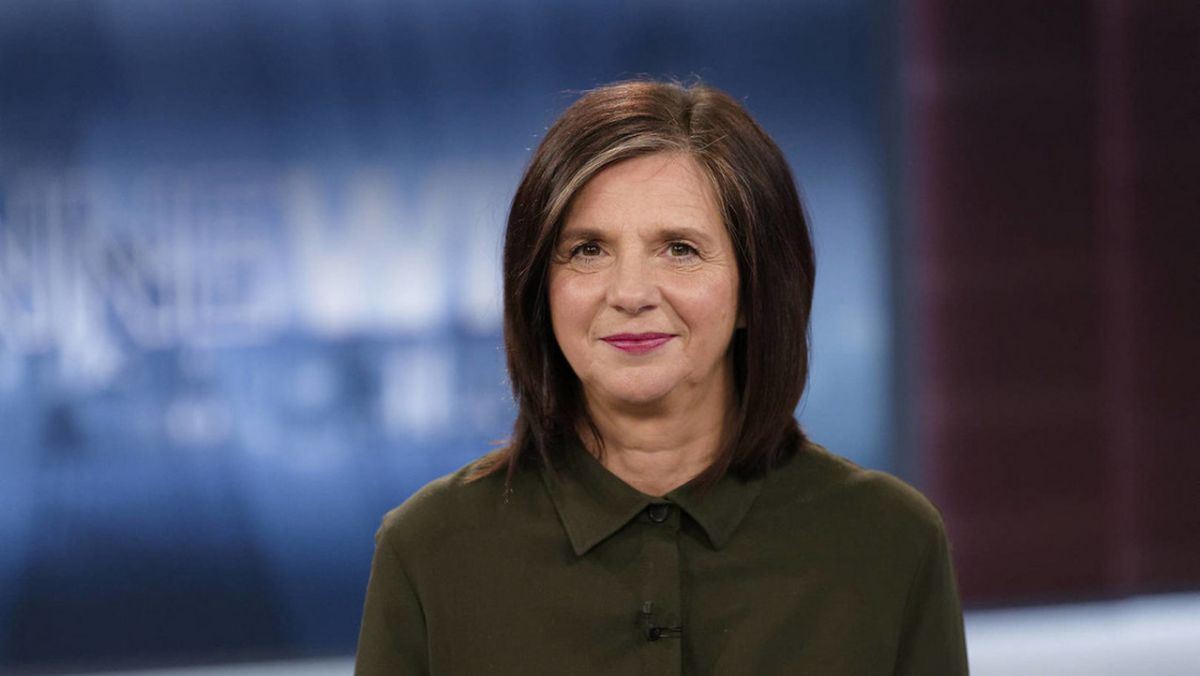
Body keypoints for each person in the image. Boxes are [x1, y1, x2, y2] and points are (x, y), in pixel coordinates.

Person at [355, 80, 968, 675]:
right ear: (541, 288)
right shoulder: (428, 551)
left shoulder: (890, 541)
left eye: (679, 249)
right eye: (588, 249)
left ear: (755, 290)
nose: (630, 293)